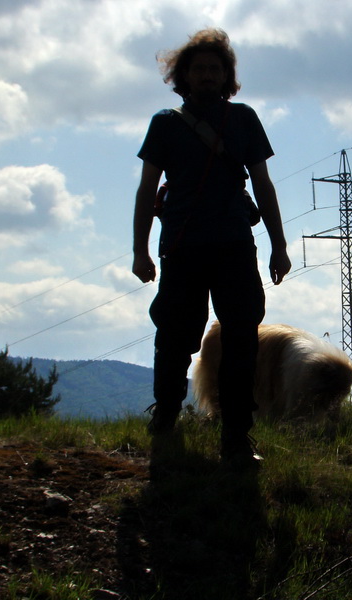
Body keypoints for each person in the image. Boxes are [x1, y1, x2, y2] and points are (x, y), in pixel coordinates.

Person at [131, 28, 291, 465]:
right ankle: (165, 414)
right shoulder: (165, 124)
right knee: (175, 336)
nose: (206, 75)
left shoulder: (243, 120)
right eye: (198, 69)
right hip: (181, 246)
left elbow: (262, 184)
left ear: (226, 76)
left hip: (235, 245)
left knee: (242, 339)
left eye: (214, 69)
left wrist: (279, 245)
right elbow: (147, 189)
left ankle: (237, 436)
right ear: (183, 76)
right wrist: (139, 250)